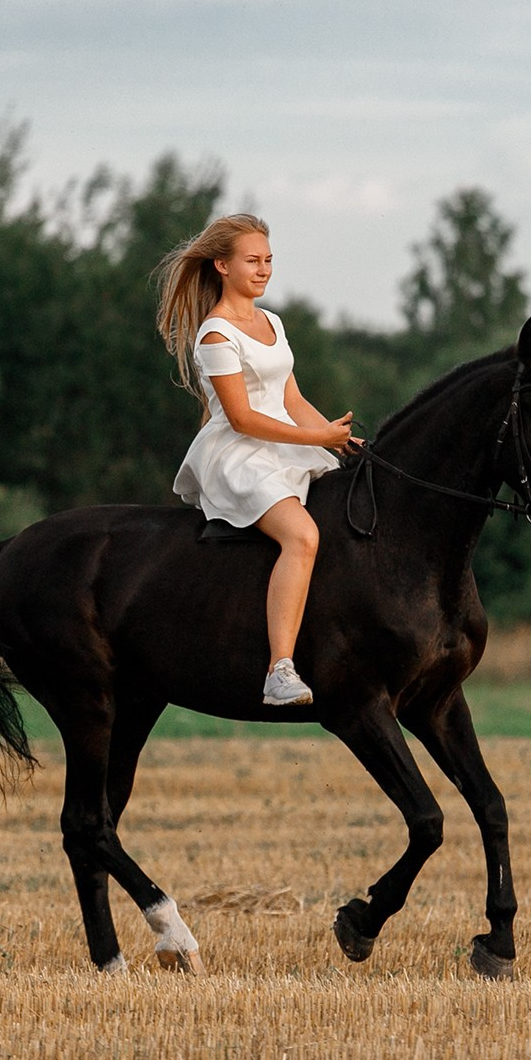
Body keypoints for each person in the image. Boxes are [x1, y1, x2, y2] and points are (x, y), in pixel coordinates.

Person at [155, 213, 357, 705]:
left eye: (268, 260)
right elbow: (243, 418)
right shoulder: (215, 336)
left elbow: (291, 398)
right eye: (252, 261)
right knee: (303, 535)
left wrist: (340, 440)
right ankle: (279, 672)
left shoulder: (272, 322)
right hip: (239, 454)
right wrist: (316, 437)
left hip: (284, 439)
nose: (264, 270)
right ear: (222, 265)